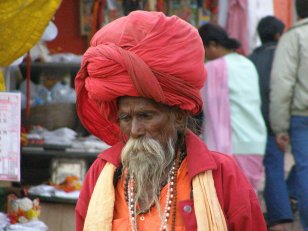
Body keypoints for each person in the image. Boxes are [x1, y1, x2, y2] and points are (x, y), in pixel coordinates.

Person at [74, 11, 267, 231]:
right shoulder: (103, 174)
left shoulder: (222, 175)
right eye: (125, 118)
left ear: (179, 116)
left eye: (146, 116)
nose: (135, 130)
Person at [198, 23, 267, 193]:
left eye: (203, 49)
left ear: (213, 45)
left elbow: (204, 107)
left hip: (229, 145)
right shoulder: (247, 63)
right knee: (249, 199)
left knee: (229, 202)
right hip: (255, 141)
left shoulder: (214, 69)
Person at [249, 16, 298, 231]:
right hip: (280, 119)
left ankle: (285, 201)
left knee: (274, 167)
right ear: (279, 35)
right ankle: (281, 213)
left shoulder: (251, 59)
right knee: (277, 166)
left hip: (256, 121)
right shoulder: (282, 57)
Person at [270, 0, 308, 230]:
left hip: (302, 116)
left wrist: (280, 127)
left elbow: (283, 84)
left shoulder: (293, 37)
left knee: (305, 170)